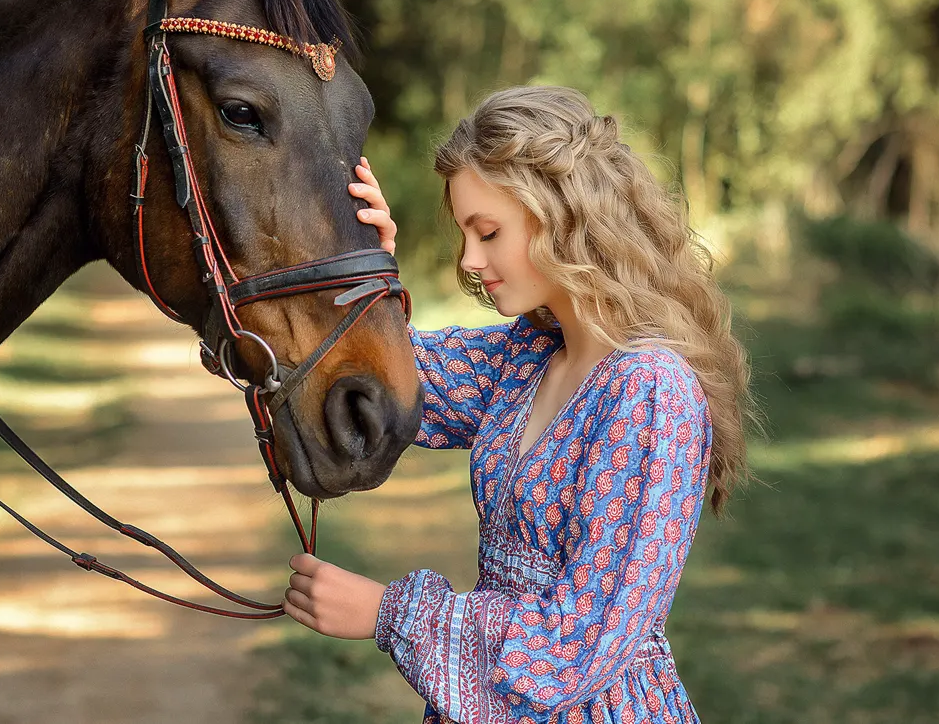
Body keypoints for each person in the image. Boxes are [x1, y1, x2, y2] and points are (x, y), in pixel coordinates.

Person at [280, 85, 754, 723]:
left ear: (561, 215)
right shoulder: (529, 358)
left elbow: (575, 650)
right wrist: (368, 267)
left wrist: (387, 613)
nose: (471, 261)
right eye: (466, 234)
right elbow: (384, 378)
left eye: (488, 232)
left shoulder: (651, 396)